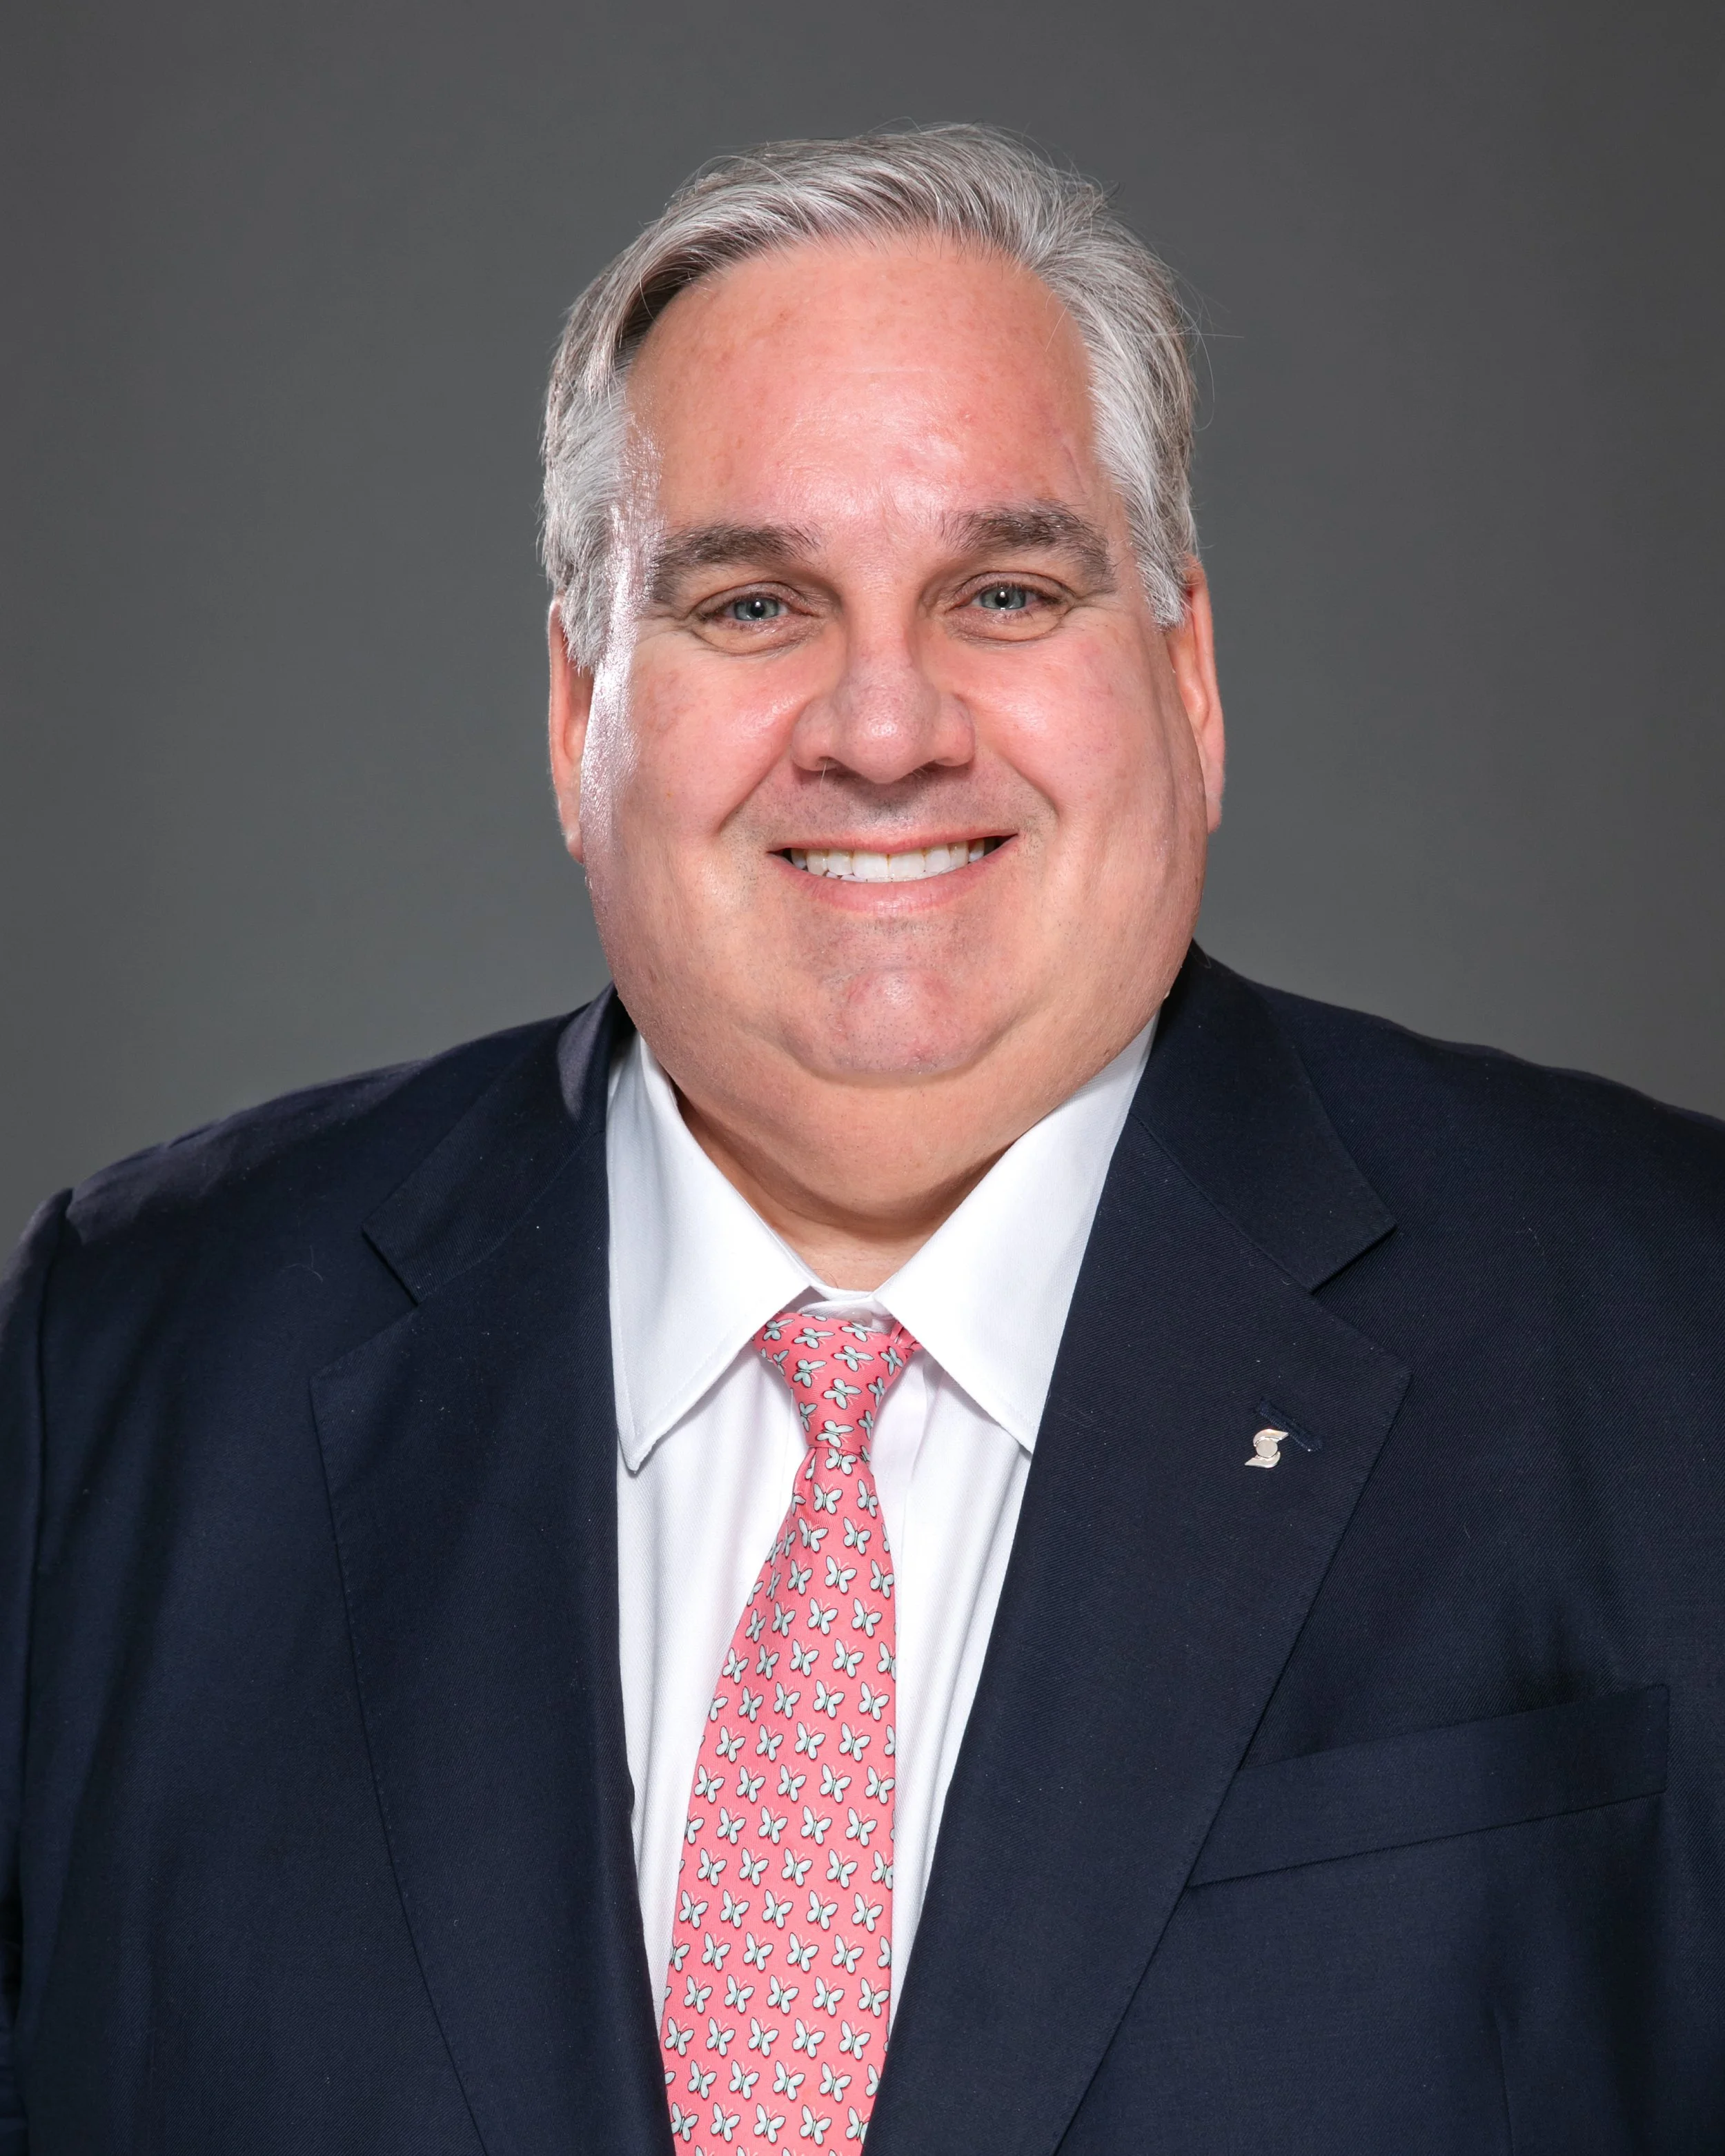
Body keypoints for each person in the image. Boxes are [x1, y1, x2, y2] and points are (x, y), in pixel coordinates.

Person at [1, 123, 1721, 2156]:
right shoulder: (127, 1359)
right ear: (578, 713)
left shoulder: (1668, 1336)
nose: (885, 729)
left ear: (1186, 679)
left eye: (1004, 591)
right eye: (753, 603)